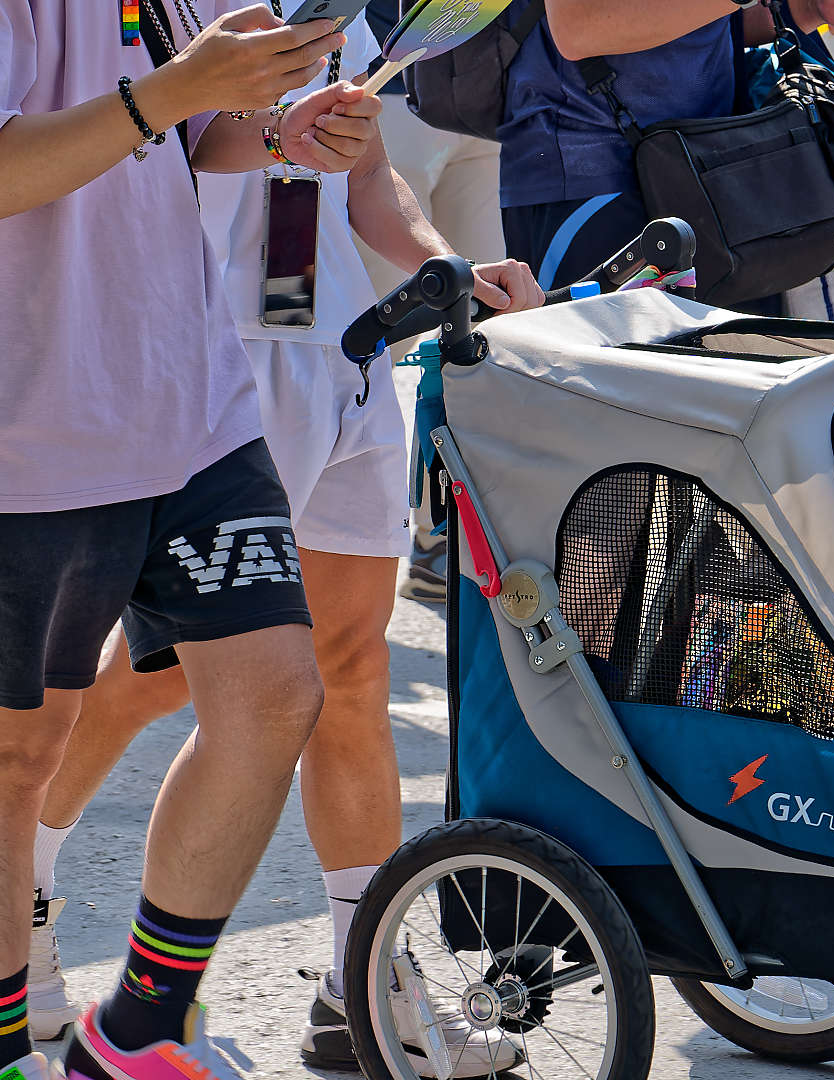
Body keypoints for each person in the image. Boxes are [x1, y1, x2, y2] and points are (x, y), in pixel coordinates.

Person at [25, 5, 542, 1074]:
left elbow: (365, 179)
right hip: (216, 365)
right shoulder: (182, 13)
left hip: (346, 362)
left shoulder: (335, 11)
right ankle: (26, 894)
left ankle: (366, 986)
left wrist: (450, 266)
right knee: (156, 677)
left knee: (343, 672)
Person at [0, 3, 374, 1078]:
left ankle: (137, 1033)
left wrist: (279, 131)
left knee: (272, 696)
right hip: (32, 426)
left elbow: (187, 132)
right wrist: (172, 92)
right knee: (16, 764)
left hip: (192, 401)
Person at [498, 0, 834, 291]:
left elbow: (697, 27)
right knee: (602, 393)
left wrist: (809, 8)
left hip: (703, 177)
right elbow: (578, 27)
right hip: (593, 183)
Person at [354, 0, 508, 605]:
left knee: (481, 328)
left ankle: (439, 533)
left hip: (490, 91)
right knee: (370, 350)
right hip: (386, 78)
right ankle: (317, 541)